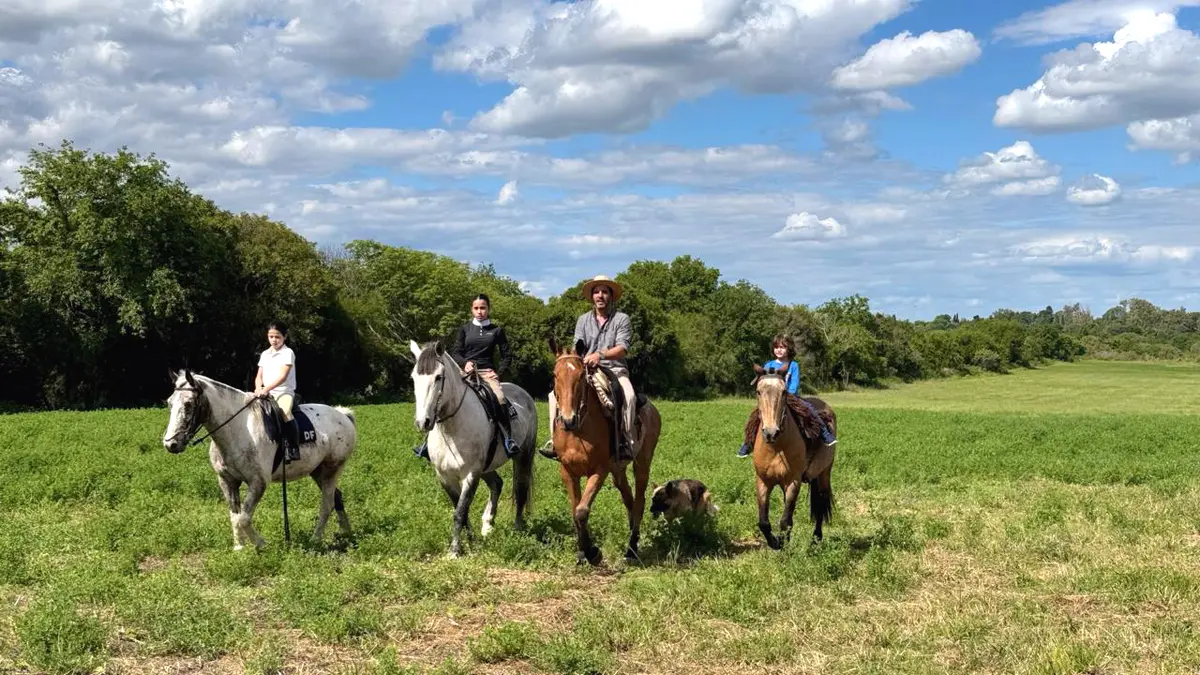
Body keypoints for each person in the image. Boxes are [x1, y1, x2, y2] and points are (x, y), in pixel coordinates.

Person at [543, 275, 638, 462]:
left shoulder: (621, 319)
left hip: (615, 369)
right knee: (553, 396)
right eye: (596, 292)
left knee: (629, 396)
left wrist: (600, 355)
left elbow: (622, 348)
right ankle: (554, 441)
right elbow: (578, 348)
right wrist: (575, 360)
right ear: (592, 296)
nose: (600, 295)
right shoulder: (583, 320)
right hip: (586, 369)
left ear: (611, 296)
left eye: (604, 292)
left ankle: (626, 442)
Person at [413, 293, 520, 460]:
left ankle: (508, 439)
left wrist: (498, 372)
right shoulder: (465, 329)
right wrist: (465, 363)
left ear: (488, 309)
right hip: (465, 372)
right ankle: (427, 443)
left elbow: (507, 355)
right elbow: (456, 352)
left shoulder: (497, 330)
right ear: (472, 309)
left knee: (499, 398)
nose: (479, 311)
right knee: (442, 397)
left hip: (487, 373)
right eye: (476, 308)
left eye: (483, 308)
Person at [736, 334, 836, 458]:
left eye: (782, 347)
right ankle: (748, 443)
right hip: (771, 400)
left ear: (789, 349)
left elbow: (794, 384)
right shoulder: (768, 365)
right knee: (755, 417)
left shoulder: (793, 365)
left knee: (809, 408)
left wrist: (788, 394)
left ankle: (825, 434)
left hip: (790, 397)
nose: (779, 350)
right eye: (776, 347)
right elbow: (764, 384)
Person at [254, 321, 300, 461]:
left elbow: (282, 376)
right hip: (265, 392)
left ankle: (292, 447)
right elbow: (259, 376)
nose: (274, 340)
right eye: (271, 336)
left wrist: (266, 388)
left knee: (284, 412)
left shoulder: (287, 353)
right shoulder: (265, 354)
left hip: (283, 391)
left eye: (277, 337)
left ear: (285, 336)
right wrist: (258, 388)